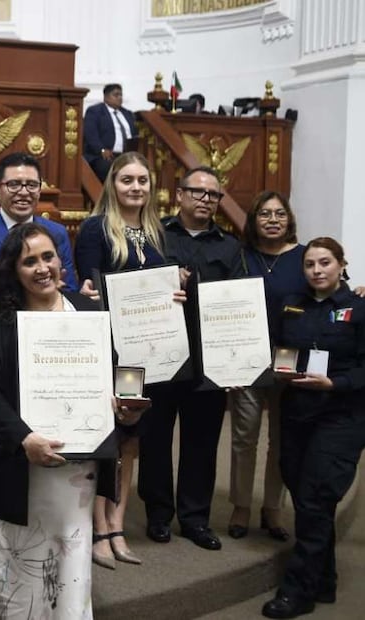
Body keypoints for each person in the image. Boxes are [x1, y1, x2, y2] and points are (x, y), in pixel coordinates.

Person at [0, 222, 144, 618]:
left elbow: (111, 376)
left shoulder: (88, 312)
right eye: (28, 261)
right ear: (14, 271)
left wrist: (122, 409)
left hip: (76, 467)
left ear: (59, 261)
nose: (41, 267)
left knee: (72, 548)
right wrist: (23, 438)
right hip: (23, 463)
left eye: (47, 256)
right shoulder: (4, 322)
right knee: (20, 554)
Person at [261, 237, 365, 619]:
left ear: (341, 264)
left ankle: (297, 591)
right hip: (298, 413)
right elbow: (274, 347)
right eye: (310, 264)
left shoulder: (360, 307)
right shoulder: (292, 304)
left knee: (316, 497)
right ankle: (325, 580)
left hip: (342, 415)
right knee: (303, 489)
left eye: (325, 262)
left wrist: (336, 384)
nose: (317, 270)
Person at [138, 165, 243, 551]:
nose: (204, 199)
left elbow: (236, 305)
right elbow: (138, 287)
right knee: (155, 437)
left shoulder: (231, 247)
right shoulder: (153, 237)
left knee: (202, 440)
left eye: (213, 195)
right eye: (197, 192)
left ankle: (195, 518)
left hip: (207, 359)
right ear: (179, 195)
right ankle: (158, 514)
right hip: (160, 354)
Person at [75, 151, 166, 568]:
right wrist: (89, 292)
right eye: (127, 179)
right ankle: (98, 527)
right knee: (105, 438)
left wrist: (174, 294)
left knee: (131, 439)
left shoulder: (156, 232)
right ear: (113, 184)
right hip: (106, 350)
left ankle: (119, 522)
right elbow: (86, 289)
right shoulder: (95, 229)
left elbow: (162, 289)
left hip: (143, 354)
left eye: (142, 180)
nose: (136, 187)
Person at [226, 191, 301, 542]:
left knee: (283, 439)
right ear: (254, 220)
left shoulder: (304, 257)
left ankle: (273, 507)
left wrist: (359, 291)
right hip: (246, 359)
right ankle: (241, 505)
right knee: (244, 436)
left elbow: (331, 291)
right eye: (264, 214)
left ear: (289, 220)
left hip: (291, 359)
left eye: (279, 213)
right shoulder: (239, 256)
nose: (272, 219)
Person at [0, 152, 77, 295]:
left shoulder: (57, 232)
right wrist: (31, 296)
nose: (24, 192)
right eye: (14, 184)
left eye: (32, 185)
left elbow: (69, 289)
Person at [83, 83, 139, 182]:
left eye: (121, 95)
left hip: (126, 155)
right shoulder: (95, 111)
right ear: (106, 97)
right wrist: (102, 150)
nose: (120, 98)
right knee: (107, 168)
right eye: (116, 95)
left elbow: (134, 133)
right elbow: (90, 134)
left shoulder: (127, 114)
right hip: (103, 155)